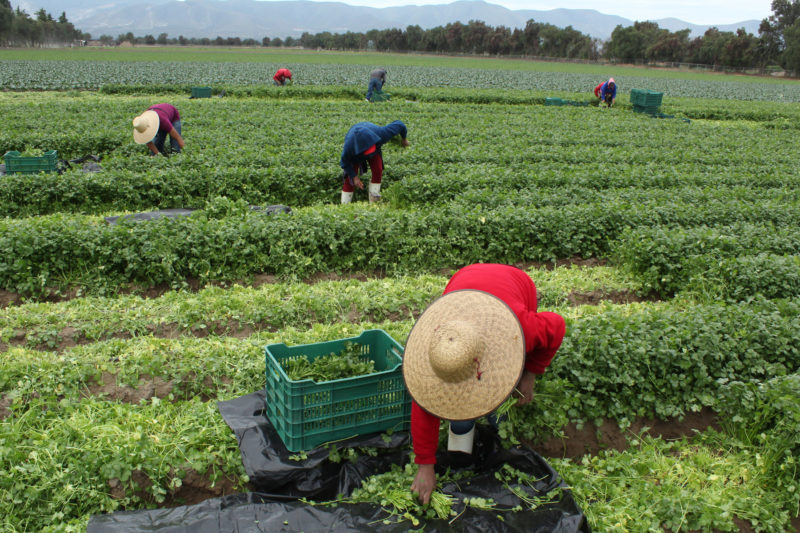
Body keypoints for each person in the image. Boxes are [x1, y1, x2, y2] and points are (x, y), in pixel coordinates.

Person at [402, 263, 566, 505]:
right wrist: (425, 465)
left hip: (514, 284)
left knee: (504, 392)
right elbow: (424, 408)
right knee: (460, 412)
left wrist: (530, 375)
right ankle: (464, 438)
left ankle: (499, 432)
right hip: (463, 282)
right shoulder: (438, 346)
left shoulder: (519, 329)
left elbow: (557, 326)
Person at [339, 120, 409, 204]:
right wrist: (354, 177)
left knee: (378, 170)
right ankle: (345, 206)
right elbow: (344, 163)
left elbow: (400, 125)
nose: (369, 155)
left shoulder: (381, 134)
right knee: (349, 179)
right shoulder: (349, 148)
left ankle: (374, 203)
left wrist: (404, 139)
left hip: (374, 142)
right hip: (356, 153)